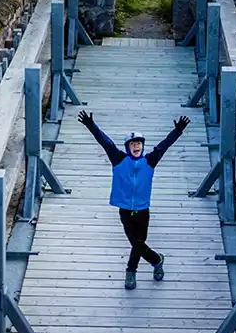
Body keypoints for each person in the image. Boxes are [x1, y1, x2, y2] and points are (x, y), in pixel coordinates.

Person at [77, 110, 190, 290]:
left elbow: (164, 145)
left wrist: (177, 131)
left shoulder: (150, 161)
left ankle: (135, 270)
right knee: (136, 243)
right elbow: (106, 143)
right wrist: (91, 125)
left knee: (138, 244)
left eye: (138, 143)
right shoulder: (119, 159)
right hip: (125, 211)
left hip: (143, 211)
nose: (135, 146)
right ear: (127, 148)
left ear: (142, 146)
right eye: (132, 144)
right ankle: (151, 262)